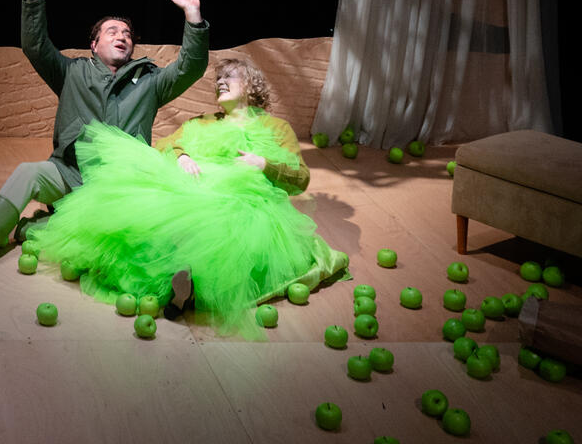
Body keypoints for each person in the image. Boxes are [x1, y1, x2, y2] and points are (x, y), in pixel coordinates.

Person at [30, 58, 350, 335]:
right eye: (218, 79)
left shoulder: (277, 128)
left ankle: (190, 284)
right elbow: (165, 145)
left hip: (244, 199)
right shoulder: (201, 122)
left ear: (251, 85)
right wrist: (182, 156)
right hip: (193, 188)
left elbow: (300, 179)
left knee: (224, 226)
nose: (220, 82)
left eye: (230, 76)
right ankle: (184, 282)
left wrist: (264, 164)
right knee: (146, 205)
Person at [0, 0, 209, 273]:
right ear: (93, 44)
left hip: (118, 186)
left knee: (115, 235)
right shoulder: (71, 72)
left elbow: (190, 67)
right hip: (68, 172)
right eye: (112, 31)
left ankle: (33, 228)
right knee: (29, 172)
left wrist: (193, 17)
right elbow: (35, 46)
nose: (122, 36)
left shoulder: (151, 81)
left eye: (127, 34)